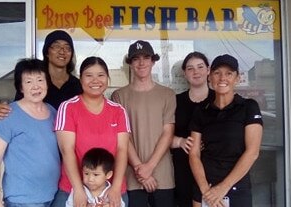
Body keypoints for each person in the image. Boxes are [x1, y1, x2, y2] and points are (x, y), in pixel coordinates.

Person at [189, 54, 263, 207]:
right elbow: (194, 153)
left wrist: (222, 188)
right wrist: (205, 190)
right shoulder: (201, 110)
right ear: (210, 77)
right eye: (217, 73)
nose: (222, 78)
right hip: (205, 188)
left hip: (236, 187)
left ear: (237, 78)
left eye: (229, 73)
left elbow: (252, 152)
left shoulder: (248, 107)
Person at [55, 56, 130, 207]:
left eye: (101, 75)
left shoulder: (118, 111)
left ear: (107, 79)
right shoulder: (68, 107)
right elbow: (66, 150)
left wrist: (115, 188)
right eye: (89, 75)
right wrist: (78, 189)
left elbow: (122, 150)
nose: (95, 80)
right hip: (74, 190)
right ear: (80, 79)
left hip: (110, 191)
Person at [111, 40, 176, 207]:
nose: (141, 63)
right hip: (132, 176)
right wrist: (141, 169)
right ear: (130, 63)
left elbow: (167, 133)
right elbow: (124, 136)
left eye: (146, 57)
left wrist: (149, 167)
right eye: (136, 58)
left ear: (153, 61)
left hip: (163, 174)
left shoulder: (167, 94)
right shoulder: (119, 96)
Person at [0, 58, 60, 207]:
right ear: (20, 88)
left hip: (52, 195)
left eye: (40, 80)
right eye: (28, 82)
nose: (35, 86)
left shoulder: (53, 112)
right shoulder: (8, 115)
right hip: (21, 199)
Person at [0, 29, 82, 118]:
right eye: (56, 46)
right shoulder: (35, 81)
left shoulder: (78, 85)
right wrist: (0, 111)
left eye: (67, 48)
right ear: (47, 52)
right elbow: (18, 108)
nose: (62, 51)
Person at [171, 52, 215, 207]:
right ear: (184, 73)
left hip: (214, 168)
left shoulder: (219, 99)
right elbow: (160, 135)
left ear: (208, 70)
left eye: (200, 67)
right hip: (181, 170)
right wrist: (180, 141)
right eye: (190, 68)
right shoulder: (175, 102)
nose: (196, 72)